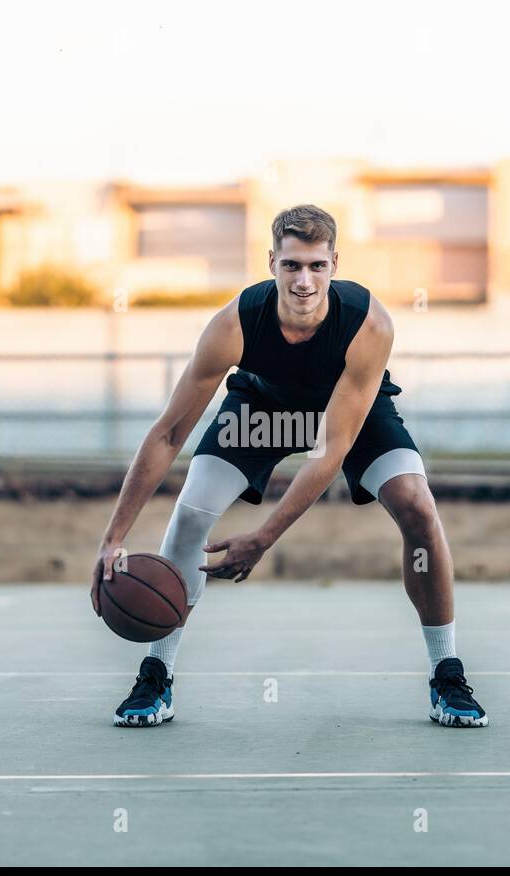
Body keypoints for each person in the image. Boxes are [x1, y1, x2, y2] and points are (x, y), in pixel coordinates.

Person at [90, 205, 486, 729]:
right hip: (262, 409)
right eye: (292, 266)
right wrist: (113, 536)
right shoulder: (234, 324)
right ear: (272, 261)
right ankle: (155, 675)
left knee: (418, 505)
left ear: (334, 264)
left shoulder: (370, 325)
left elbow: (329, 450)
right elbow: (168, 433)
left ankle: (447, 674)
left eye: (317, 267)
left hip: (350, 414)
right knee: (188, 517)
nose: (304, 281)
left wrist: (265, 536)